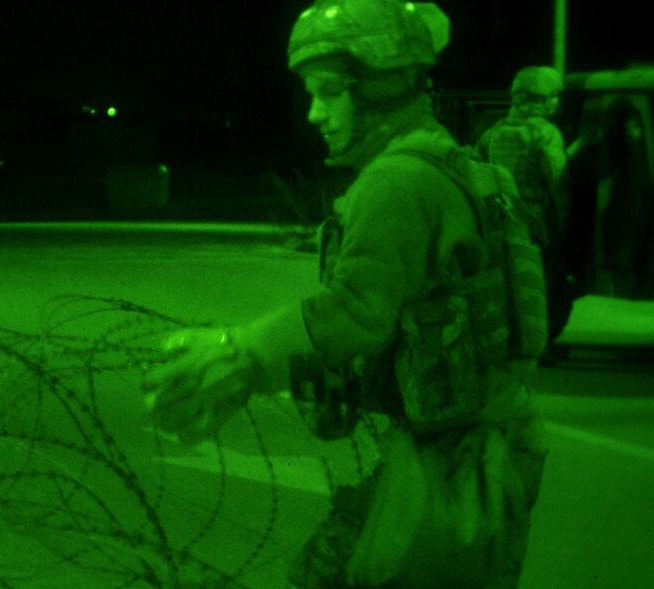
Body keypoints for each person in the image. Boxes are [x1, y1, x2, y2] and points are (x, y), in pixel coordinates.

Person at [143, 1, 548, 587]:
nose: (314, 113)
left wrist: (239, 353)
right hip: (480, 444)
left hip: (459, 457)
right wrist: (322, 383)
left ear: (380, 85)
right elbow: (406, 319)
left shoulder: (398, 182)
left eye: (329, 92)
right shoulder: (451, 163)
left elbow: (357, 312)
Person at [476, 66, 574, 343]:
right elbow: (559, 184)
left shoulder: (492, 133)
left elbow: (477, 175)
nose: (556, 102)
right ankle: (540, 342)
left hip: (499, 219)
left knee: (506, 282)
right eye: (553, 96)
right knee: (541, 284)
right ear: (540, 99)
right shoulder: (546, 133)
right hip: (535, 221)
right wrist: (562, 228)